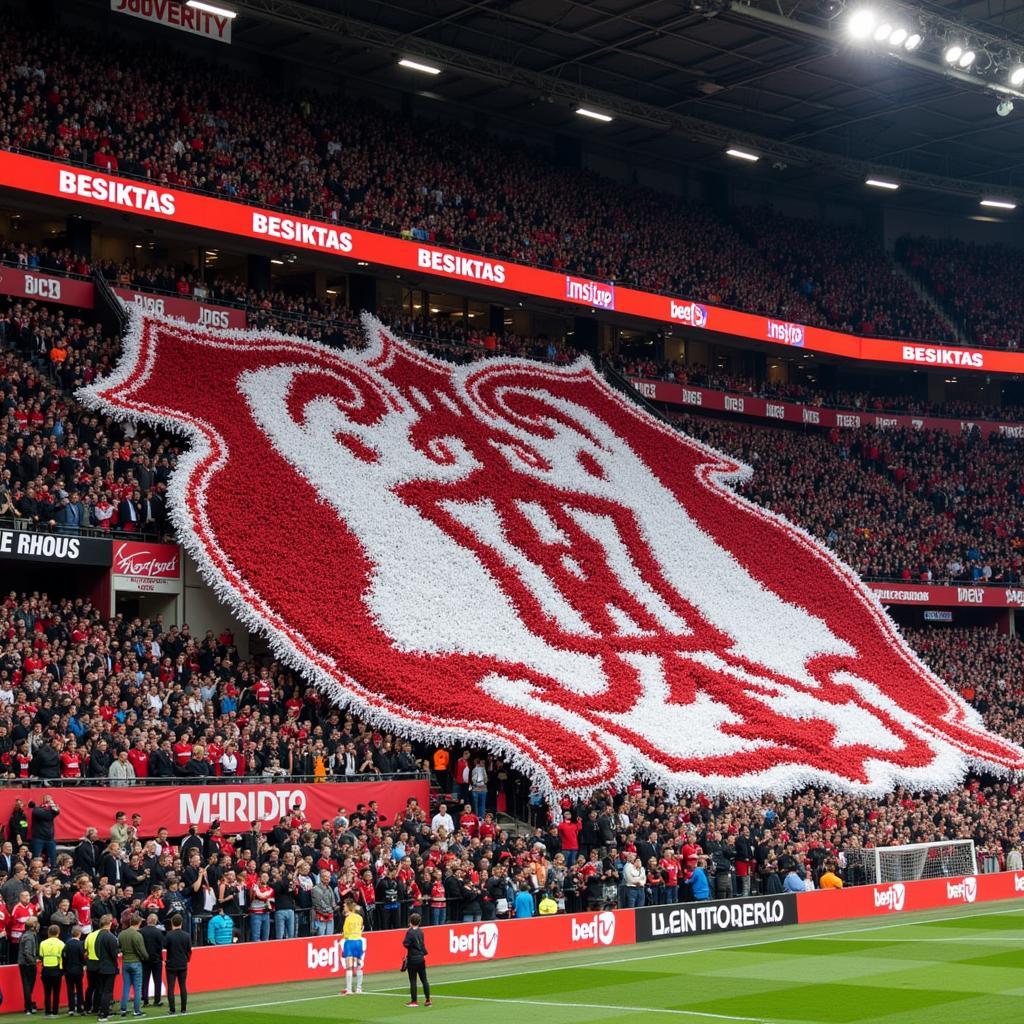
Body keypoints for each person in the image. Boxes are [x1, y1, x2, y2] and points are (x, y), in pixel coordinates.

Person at [118, 914, 146, 1017]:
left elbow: (119, 947)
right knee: (137, 988)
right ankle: (137, 1010)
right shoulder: (137, 935)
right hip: (136, 962)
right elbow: (142, 951)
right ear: (138, 923)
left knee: (126, 986)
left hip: (126, 963)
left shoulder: (122, 934)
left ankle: (123, 1009)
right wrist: (145, 957)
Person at [164, 913, 192, 1017]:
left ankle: (172, 1010)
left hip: (171, 964)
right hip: (182, 964)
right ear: (181, 923)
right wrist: (186, 959)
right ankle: (183, 1009)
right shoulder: (186, 935)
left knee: (171, 988)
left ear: (172, 923)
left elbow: (165, 946)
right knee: (183, 986)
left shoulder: (169, 935)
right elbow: (189, 950)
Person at [94, 916, 120, 1023]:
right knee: (107, 991)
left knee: (102, 990)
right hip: (109, 967)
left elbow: (96, 950)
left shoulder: (98, 936)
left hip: (100, 966)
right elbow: (114, 953)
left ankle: (102, 1011)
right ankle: (104, 1013)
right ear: (109, 923)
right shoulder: (110, 936)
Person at [402, 913, 430, 1008]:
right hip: (421, 958)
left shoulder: (410, 932)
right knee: (424, 980)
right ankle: (428, 1000)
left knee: (413, 980)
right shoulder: (420, 931)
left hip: (413, 959)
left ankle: (414, 1001)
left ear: (410, 921)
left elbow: (405, 943)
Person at [339, 899, 365, 997]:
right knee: (358, 965)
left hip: (349, 942)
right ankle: (359, 988)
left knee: (349, 966)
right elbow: (361, 927)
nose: (343, 907)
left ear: (348, 907)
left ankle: (349, 989)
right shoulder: (359, 917)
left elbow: (345, 933)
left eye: (345, 906)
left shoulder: (348, 918)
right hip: (358, 942)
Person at [39, 923, 65, 1018]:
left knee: (47, 992)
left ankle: (47, 1010)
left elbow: (41, 955)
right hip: (57, 969)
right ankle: (55, 1011)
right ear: (58, 933)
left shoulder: (42, 943)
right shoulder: (61, 943)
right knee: (56, 991)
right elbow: (63, 957)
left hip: (46, 969)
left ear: (48, 933)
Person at [140, 913, 165, 1008]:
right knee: (157, 980)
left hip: (144, 959)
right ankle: (157, 1000)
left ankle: (145, 1000)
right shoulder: (158, 932)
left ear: (147, 920)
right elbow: (161, 946)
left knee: (144, 980)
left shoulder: (141, 931)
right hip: (156, 959)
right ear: (155, 921)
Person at [18, 917, 39, 1015]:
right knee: (28, 986)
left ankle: (28, 1005)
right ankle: (28, 1007)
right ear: (33, 926)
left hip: (24, 963)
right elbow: (27, 952)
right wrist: (33, 962)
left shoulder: (25, 935)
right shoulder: (29, 937)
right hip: (28, 964)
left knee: (27, 986)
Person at [63, 926, 86, 1018]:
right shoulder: (80, 944)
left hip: (69, 970)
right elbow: (82, 957)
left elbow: (64, 956)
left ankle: (71, 1008)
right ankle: (80, 1007)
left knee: (70, 990)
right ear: (79, 934)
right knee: (79, 989)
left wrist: (65, 969)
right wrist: (84, 964)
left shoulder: (67, 944)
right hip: (78, 970)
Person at [311, 869, 339, 936]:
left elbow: (333, 902)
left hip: (330, 916)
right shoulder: (315, 889)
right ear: (321, 877)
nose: (327, 878)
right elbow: (318, 904)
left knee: (330, 936)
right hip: (321, 916)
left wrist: (334, 908)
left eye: (329, 877)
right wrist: (328, 911)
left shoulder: (329, 888)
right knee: (321, 936)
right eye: (325, 876)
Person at [83, 923, 101, 1014]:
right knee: (98, 987)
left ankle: (87, 1007)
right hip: (98, 963)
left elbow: (85, 952)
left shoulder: (89, 936)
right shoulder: (101, 935)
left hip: (90, 964)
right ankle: (96, 1007)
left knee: (91, 987)